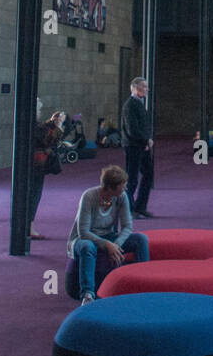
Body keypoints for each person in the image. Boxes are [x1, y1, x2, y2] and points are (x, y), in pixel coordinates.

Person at [67, 165, 149, 305]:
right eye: (122, 186)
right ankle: (88, 294)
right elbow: (84, 232)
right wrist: (107, 245)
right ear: (111, 188)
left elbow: (127, 227)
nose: (125, 188)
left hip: (108, 236)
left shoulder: (122, 197)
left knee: (140, 239)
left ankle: (144, 284)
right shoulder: (89, 196)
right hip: (82, 239)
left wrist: (115, 245)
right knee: (88, 247)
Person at [121, 77, 154, 218]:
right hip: (133, 146)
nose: (147, 89)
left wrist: (148, 140)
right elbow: (132, 129)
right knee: (132, 178)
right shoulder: (129, 105)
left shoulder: (139, 104)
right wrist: (146, 139)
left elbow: (144, 125)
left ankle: (140, 206)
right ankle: (129, 210)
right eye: (144, 87)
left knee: (148, 174)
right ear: (135, 88)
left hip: (142, 145)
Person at [30, 109, 65, 239]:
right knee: (34, 194)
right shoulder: (33, 124)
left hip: (32, 163)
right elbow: (48, 139)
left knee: (34, 194)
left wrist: (51, 122)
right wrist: (58, 126)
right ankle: (29, 227)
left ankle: (28, 226)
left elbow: (41, 128)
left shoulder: (29, 122)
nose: (39, 109)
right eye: (38, 107)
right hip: (36, 164)